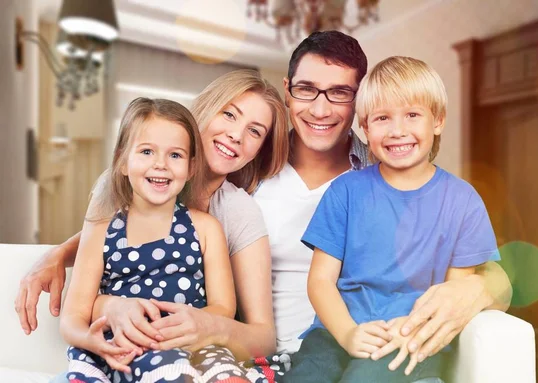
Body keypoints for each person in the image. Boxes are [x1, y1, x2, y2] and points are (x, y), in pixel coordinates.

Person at [17, 32, 511, 382]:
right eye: (306, 90)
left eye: (340, 93)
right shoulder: (247, 175)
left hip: (333, 345)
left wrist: (477, 290)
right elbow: (150, 217)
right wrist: (62, 253)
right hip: (284, 357)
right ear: (290, 91)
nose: (320, 108)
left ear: (359, 104)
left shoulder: (377, 175)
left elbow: (486, 266)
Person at [16, 69, 289, 382]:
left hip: (200, 349)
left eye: (255, 131)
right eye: (229, 114)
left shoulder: (235, 214)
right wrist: (63, 256)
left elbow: (261, 335)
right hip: (122, 347)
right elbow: (99, 256)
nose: (236, 135)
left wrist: (207, 325)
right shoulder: (118, 188)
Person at [283, 56, 500, 383]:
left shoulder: (462, 200)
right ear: (366, 128)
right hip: (336, 333)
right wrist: (348, 334)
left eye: (413, 115)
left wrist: (407, 331)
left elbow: (454, 294)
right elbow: (320, 281)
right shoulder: (345, 191)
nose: (398, 131)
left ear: (438, 120)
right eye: (383, 118)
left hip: (409, 337)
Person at [61, 97, 243, 382]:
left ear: (191, 167)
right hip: (121, 347)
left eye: (175, 155)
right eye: (146, 151)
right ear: (122, 161)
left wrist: (182, 327)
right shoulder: (100, 229)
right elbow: (72, 317)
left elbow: (224, 307)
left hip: (190, 343)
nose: (161, 165)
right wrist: (90, 340)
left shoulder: (206, 228)